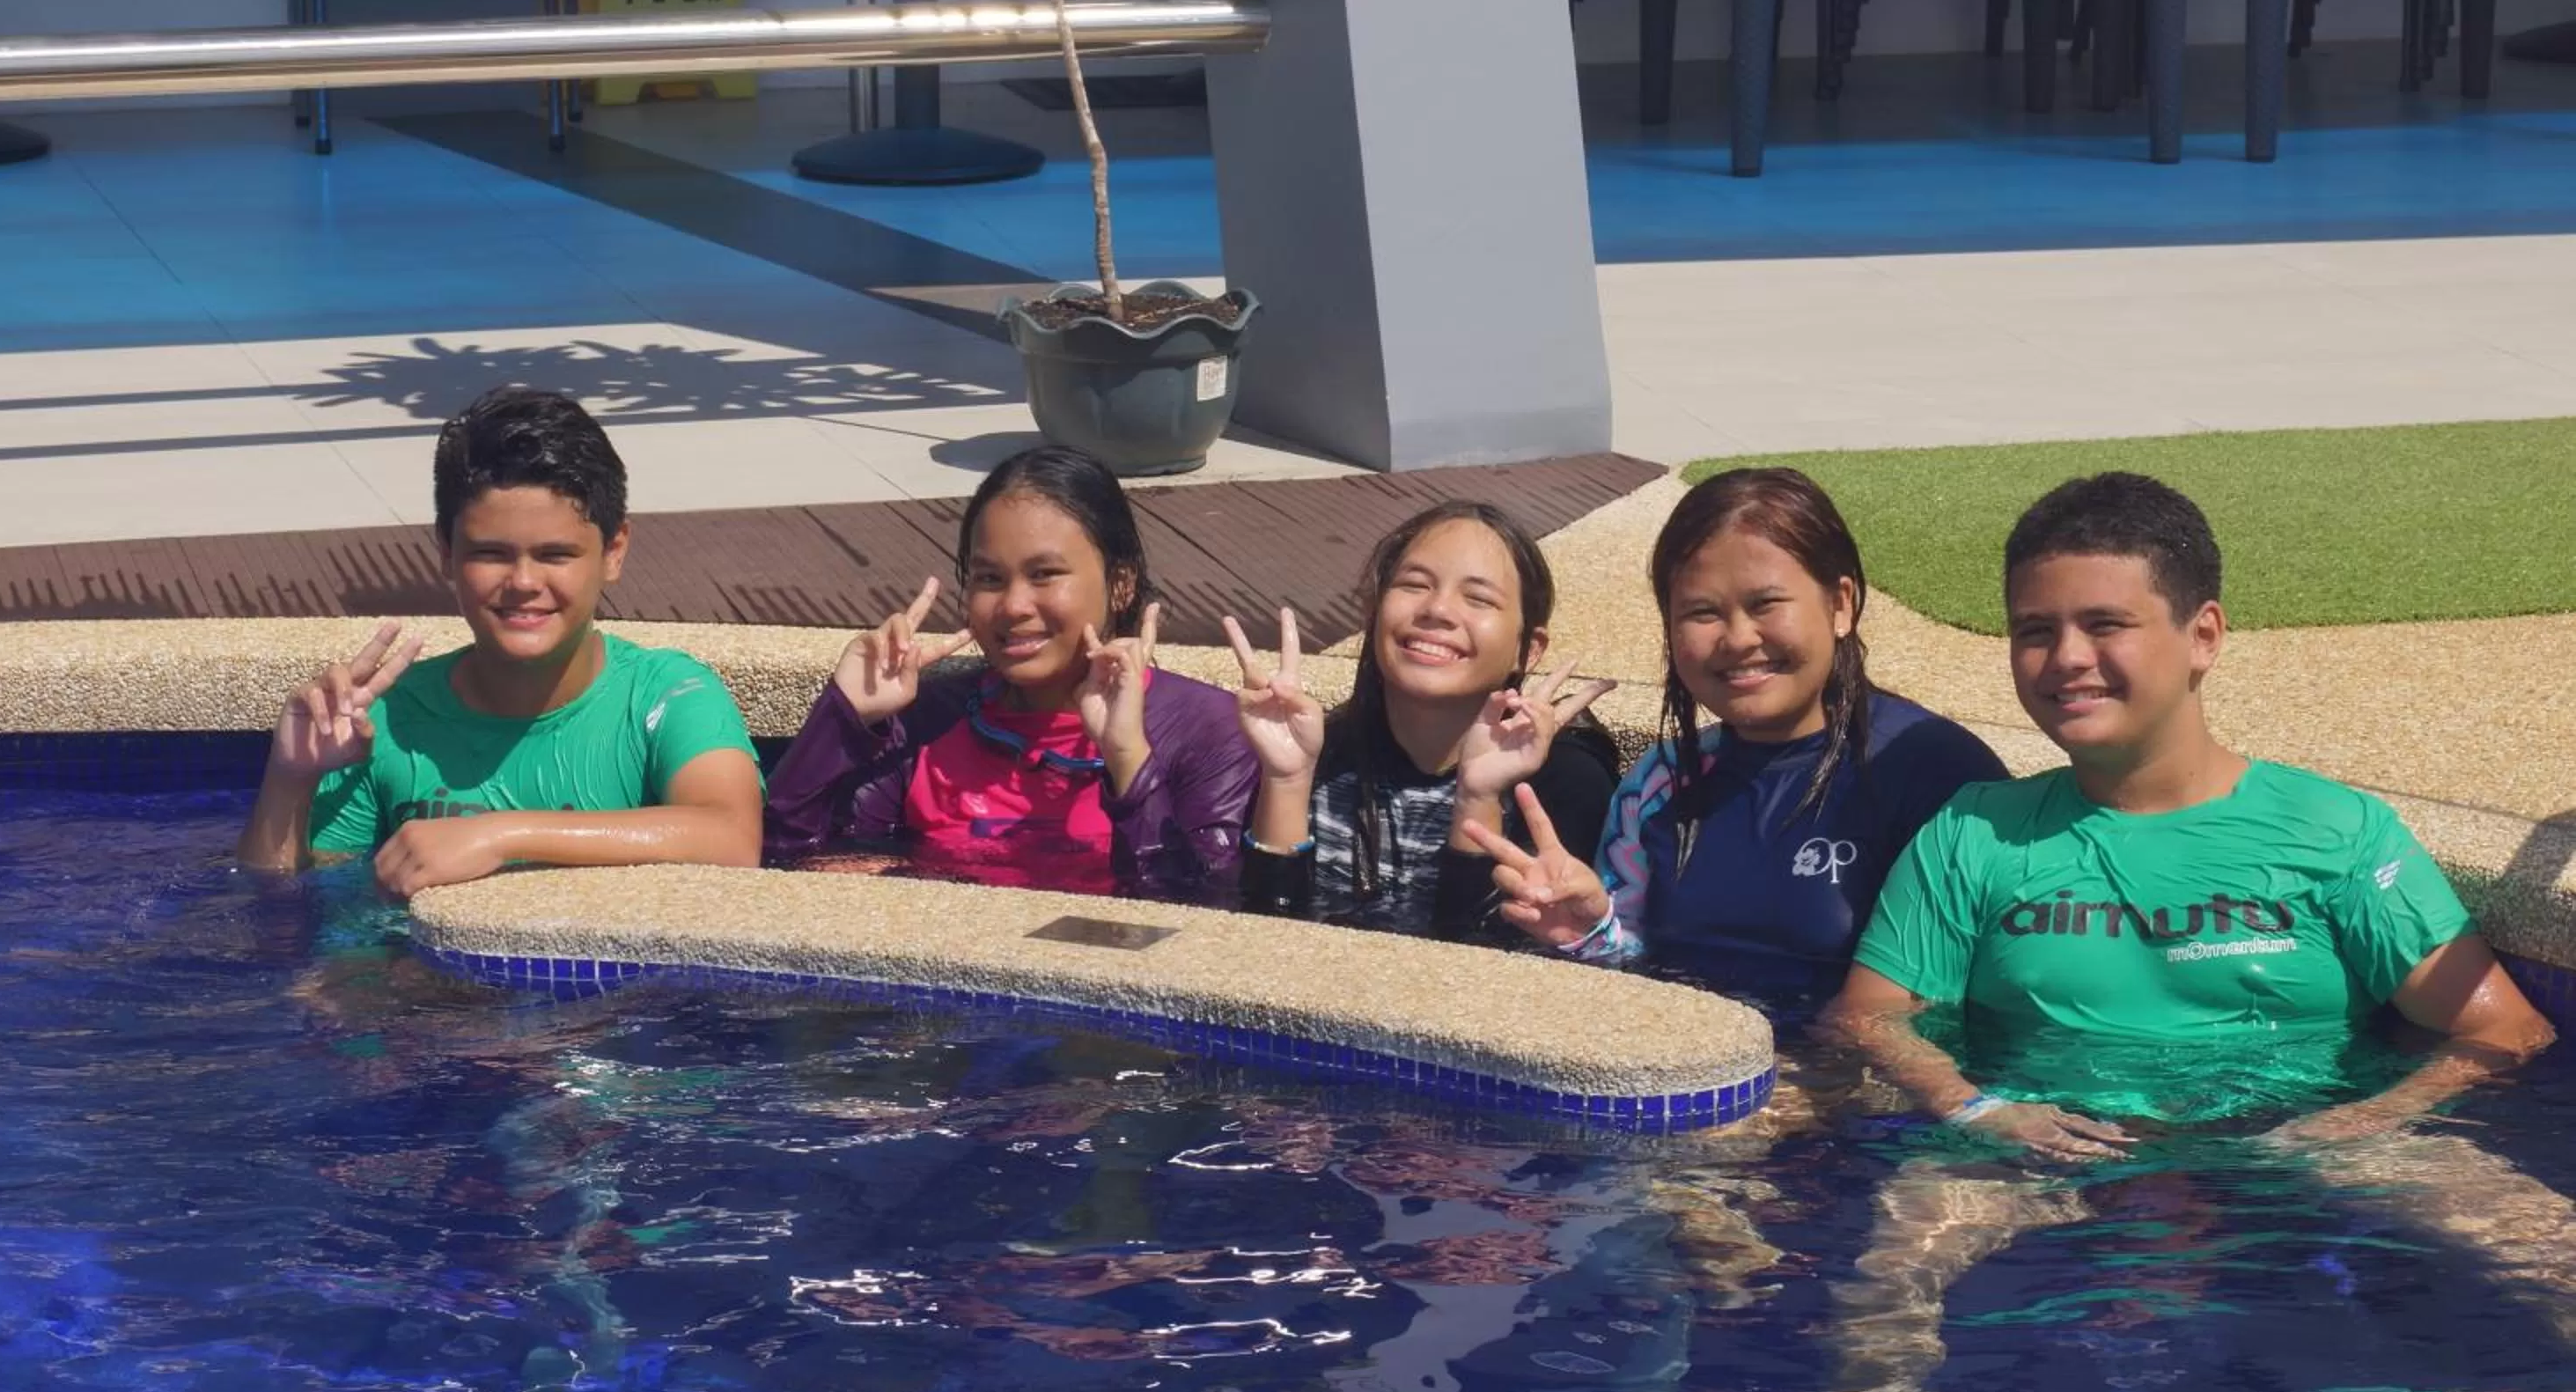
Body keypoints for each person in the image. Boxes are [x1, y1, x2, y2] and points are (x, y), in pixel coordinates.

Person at [1814, 472, 2559, 1392]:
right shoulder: (1977, 835)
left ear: (2203, 634)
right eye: (2035, 630)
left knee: (2554, 1245)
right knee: (1883, 1285)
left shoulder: (2329, 831)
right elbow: (1866, 1022)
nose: (2065, 658)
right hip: (2045, 1138)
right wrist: (1976, 1107)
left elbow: (2506, 1030)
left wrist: (2355, 1125)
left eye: (2105, 623)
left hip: (2306, 1135)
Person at [1467, 468, 2007, 1006]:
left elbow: (1981, 996)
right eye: (1702, 612)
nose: (1738, 639)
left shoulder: (1934, 773)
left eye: (1766, 604)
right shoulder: (1659, 785)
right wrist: (1589, 931)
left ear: (1841, 605)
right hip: (1696, 1077)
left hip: (1851, 1083)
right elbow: (1629, 963)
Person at [235, 387, 762, 898]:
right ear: (445, 552)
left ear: (614, 551)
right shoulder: (388, 721)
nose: (524, 583)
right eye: (491, 554)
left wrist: (499, 835)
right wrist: (290, 779)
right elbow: (289, 903)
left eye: (556, 555)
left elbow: (732, 839)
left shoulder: (664, 697)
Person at [762, 446, 1255, 901]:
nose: (1014, 606)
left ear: (1121, 585)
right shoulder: (929, 719)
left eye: (1045, 574)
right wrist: (841, 717)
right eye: (989, 579)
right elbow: (786, 860)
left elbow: (1198, 920)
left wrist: (1127, 757)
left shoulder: (1207, 731)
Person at [1225, 502, 1617, 941]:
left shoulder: (1560, 778)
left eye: (1478, 598)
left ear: (1528, 650)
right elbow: (1261, 950)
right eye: (1414, 585)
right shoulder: (1323, 754)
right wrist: (1287, 781)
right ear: (1374, 614)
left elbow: (1493, 970)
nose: (1438, 609)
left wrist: (1479, 797)